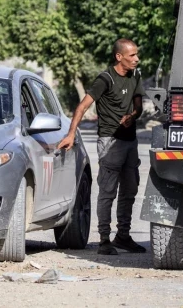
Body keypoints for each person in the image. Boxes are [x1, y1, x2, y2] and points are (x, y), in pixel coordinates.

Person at [58, 39, 146, 255]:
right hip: (109, 142)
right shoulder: (105, 79)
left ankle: (123, 236)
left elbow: (138, 106)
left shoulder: (135, 76)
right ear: (119, 57)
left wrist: (132, 117)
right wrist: (71, 134)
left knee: (129, 191)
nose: (136, 59)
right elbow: (82, 106)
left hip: (130, 142)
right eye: (132, 55)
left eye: (136, 54)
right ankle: (104, 239)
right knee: (107, 192)